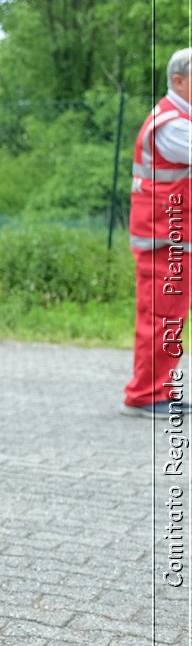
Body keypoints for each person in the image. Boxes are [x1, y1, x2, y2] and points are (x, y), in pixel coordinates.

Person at [125, 47, 192, 418]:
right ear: (178, 81)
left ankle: (161, 389)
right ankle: (146, 394)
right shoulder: (172, 125)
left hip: (172, 236)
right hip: (162, 238)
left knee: (170, 317)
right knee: (161, 316)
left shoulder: (180, 119)